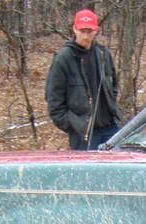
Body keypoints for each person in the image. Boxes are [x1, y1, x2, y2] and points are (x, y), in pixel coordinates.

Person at [46, 9, 120, 150]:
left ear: (96, 30)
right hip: (83, 135)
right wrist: (74, 126)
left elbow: (113, 86)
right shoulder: (63, 59)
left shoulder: (103, 54)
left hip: (110, 128)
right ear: (74, 29)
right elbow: (54, 103)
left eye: (89, 31)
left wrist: (112, 105)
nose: (85, 36)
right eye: (82, 31)